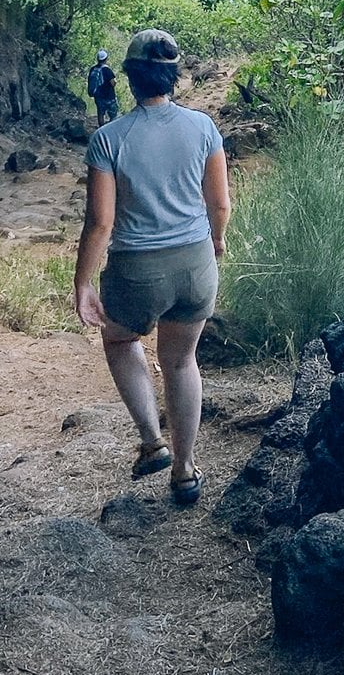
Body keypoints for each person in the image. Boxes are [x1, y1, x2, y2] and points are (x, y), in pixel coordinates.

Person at [72, 29, 230, 505]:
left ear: (130, 77)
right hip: (195, 263)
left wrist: (82, 282)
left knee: (120, 339)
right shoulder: (203, 128)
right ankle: (184, 471)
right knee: (182, 360)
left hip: (136, 268)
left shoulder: (108, 139)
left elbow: (100, 223)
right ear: (173, 75)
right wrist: (216, 241)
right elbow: (219, 204)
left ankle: (151, 441)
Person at [87, 49, 118, 124]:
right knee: (113, 115)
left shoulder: (93, 69)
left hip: (98, 96)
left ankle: (101, 128)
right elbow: (112, 83)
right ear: (106, 59)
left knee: (100, 113)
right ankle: (110, 130)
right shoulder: (107, 70)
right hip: (109, 96)